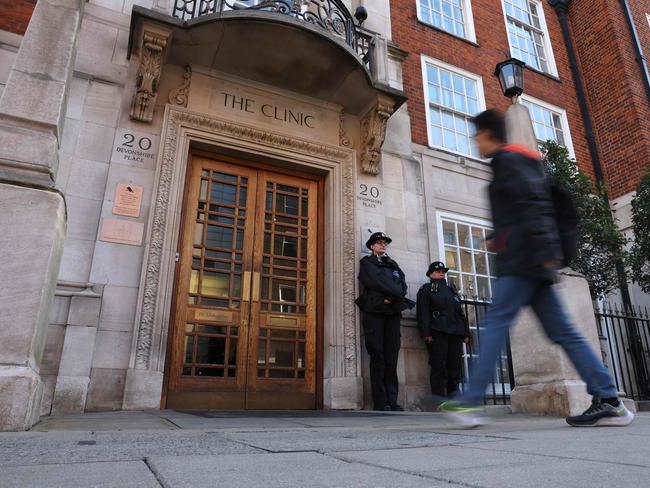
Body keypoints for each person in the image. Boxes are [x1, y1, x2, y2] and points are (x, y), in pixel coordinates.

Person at [439, 109, 634, 428]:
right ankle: (609, 399)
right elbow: (520, 209)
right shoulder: (515, 162)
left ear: (487, 134)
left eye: (476, 135)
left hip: (524, 260)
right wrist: (497, 238)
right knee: (564, 332)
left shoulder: (509, 161)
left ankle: (470, 401)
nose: (474, 141)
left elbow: (535, 207)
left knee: (497, 323)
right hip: (529, 257)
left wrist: (543, 252)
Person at [356, 232, 414, 411]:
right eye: (379, 243)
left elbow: (402, 285)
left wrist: (394, 296)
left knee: (391, 355)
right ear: (372, 246)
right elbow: (375, 282)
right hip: (375, 311)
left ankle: (392, 399)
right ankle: (380, 401)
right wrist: (392, 294)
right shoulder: (367, 263)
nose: (383, 246)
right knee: (378, 355)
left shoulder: (393, 264)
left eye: (384, 243)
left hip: (392, 312)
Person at [417, 261, 471, 402]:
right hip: (437, 330)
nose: (441, 273)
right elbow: (422, 313)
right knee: (438, 365)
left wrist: (466, 332)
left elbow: (460, 312)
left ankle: (454, 396)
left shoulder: (451, 290)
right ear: (430, 274)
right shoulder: (426, 290)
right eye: (438, 271)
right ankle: (439, 398)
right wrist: (426, 333)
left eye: (443, 271)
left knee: (454, 365)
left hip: (455, 331)